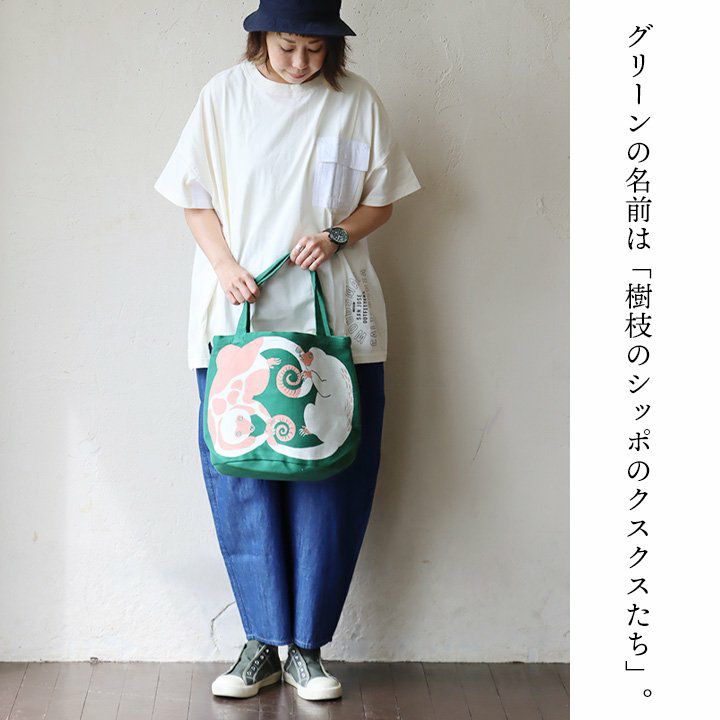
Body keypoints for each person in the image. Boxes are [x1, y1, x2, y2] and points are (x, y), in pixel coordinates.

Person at [153, 0, 422, 702]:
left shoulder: (356, 101)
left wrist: (336, 235)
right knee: (242, 476)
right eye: (286, 46)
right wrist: (224, 266)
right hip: (237, 320)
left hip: (336, 325)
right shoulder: (223, 96)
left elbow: (383, 200)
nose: (299, 62)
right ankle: (259, 642)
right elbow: (193, 197)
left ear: (334, 47)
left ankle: (307, 648)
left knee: (331, 476)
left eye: (314, 49)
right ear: (260, 38)